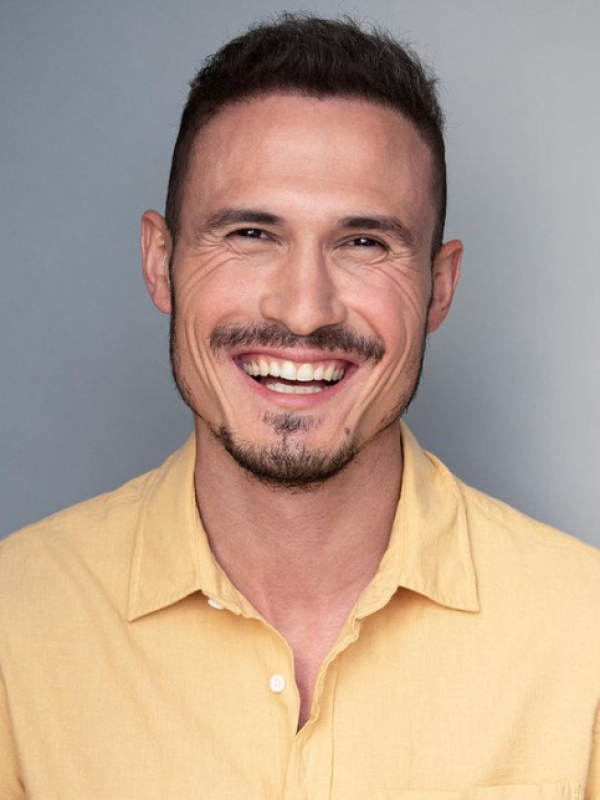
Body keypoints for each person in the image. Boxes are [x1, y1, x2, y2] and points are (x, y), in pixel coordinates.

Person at [1, 12, 599, 799]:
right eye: (252, 233)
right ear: (159, 261)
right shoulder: (14, 626)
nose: (305, 310)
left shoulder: (584, 636)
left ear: (439, 287)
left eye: (364, 243)